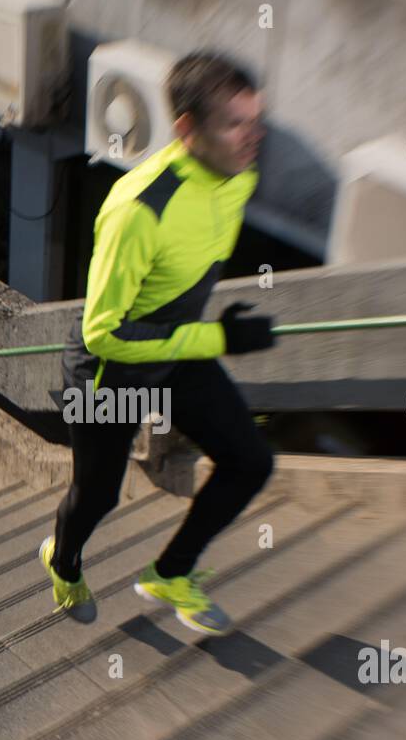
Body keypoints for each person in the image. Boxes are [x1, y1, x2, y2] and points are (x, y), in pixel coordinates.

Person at [39, 50, 276, 637]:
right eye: (235, 124)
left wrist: (207, 328)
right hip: (107, 374)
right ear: (187, 130)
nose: (253, 138)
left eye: (256, 120)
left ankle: (172, 572)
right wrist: (220, 335)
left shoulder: (239, 175)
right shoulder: (138, 208)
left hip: (173, 354)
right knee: (97, 499)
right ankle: (62, 561)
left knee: (250, 461)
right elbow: (105, 332)